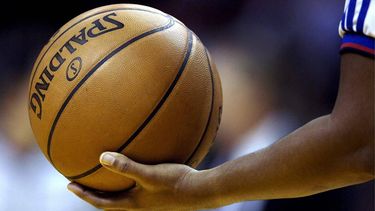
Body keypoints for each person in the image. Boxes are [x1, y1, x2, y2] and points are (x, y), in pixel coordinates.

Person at [67, 0, 374, 210]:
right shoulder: (222, 156)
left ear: (258, 93)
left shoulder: (303, 160)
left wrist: (193, 190)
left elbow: (360, 143)